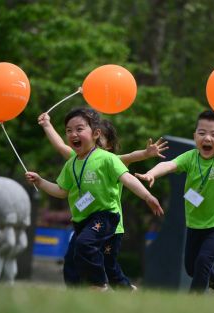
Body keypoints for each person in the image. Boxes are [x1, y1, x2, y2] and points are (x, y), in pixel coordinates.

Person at [26, 107, 164, 290]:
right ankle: (83, 296)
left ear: (96, 135)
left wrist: (147, 196)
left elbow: (128, 175)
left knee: (89, 248)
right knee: (73, 261)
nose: (73, 134)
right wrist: (41, 181)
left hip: (105, 217)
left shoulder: (108, 159)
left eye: (79, 129)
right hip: (82, 221)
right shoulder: (72, 163)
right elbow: (61, 190)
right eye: (69, 130)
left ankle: (99, 286)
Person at [136, 110, 214, 294]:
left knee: (203, 262)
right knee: (192, 268)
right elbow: (169, 165)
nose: (207, 138)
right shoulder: (191, 157)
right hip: (195, 221)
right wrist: (152, 173)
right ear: (194, 136)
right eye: (202, 133)